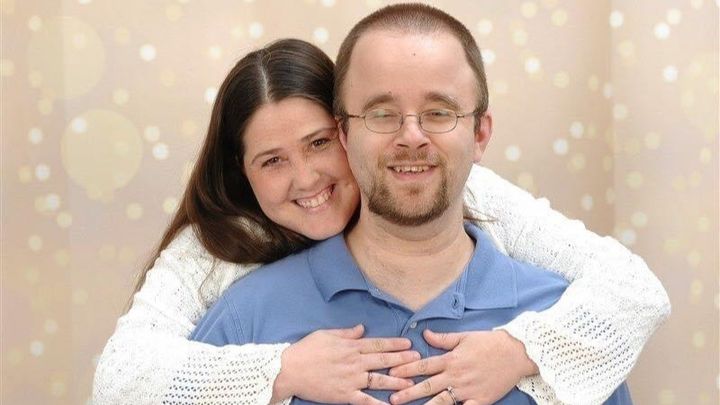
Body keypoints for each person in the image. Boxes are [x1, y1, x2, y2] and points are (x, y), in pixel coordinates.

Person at [92, 11, 670, 405]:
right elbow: (120, 381)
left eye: (439, 112)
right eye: (382, 114)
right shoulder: (231, 296)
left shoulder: (562, 315)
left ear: (480, 134)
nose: (411, 138)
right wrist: (281, 371)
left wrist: (522, 350)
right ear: (352, 132)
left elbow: (637, 289)